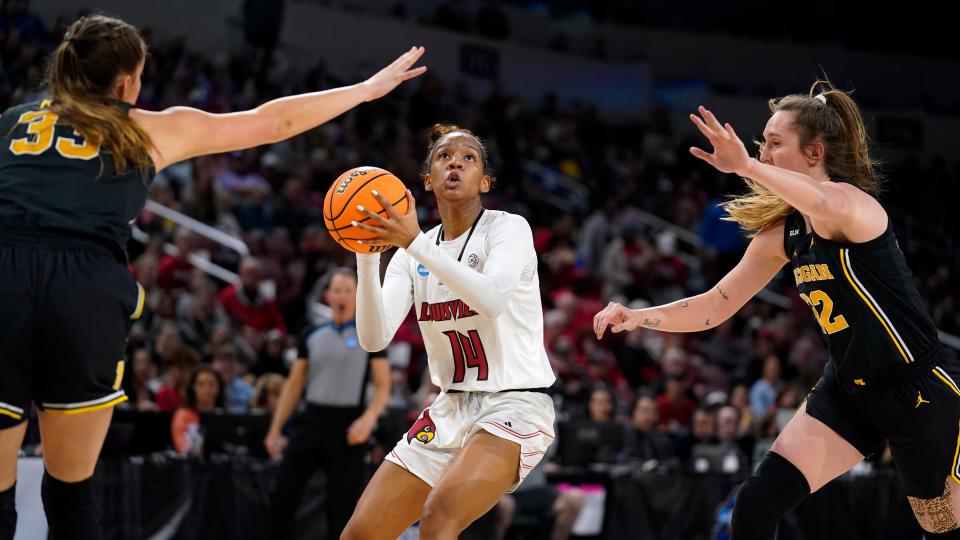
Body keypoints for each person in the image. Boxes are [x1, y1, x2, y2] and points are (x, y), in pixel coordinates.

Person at [0, 13, 425, 539]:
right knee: (70, 491)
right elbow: (272, 122)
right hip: (85, 286)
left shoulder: (11, 122)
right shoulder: (142, 127)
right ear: (125, 82)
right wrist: (365, 90)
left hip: (6, 275)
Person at [594, 81, 960, 539]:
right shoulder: (783, 235)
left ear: (814, 153)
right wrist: (639, 315)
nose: (762, 154)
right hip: (848, 390)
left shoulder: (854, 206)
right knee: (756, 503)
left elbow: (823, 201)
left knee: (942, 529)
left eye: (774, 144)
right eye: (760, 144)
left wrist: (744, 165)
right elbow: (714, 306)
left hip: (919, 389)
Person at [341, 124, 557, 539]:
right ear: (428, 180)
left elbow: (491, 298)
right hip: (447, 408)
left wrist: (414, 243)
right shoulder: (409, 255)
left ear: (485, 181)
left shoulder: (507, 228)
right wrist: (366, 256)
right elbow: (374, 338)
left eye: (468, 157)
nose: (455, 161)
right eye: (443, 156)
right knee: (360, 534)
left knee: (439, 515)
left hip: (514, 404)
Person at [264, 268, 390, 539]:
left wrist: (368, 419)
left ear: (358, 294)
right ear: (327, 296)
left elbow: (383, 386)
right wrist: (275, 430)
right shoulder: (311, 335)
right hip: (311, 420)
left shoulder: (370, 336)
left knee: (341, 509)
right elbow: (293, 386)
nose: (342, 295)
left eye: (347, 290)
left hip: (349, 427)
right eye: (337, 290)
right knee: (283, 495)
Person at [171, 364, 225, 455]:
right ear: (193, 388)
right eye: (201, 384)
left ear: (219, 388)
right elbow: (183, 448)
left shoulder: (223, 415)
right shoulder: (183, 415)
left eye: (211, 384)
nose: (207, 389)